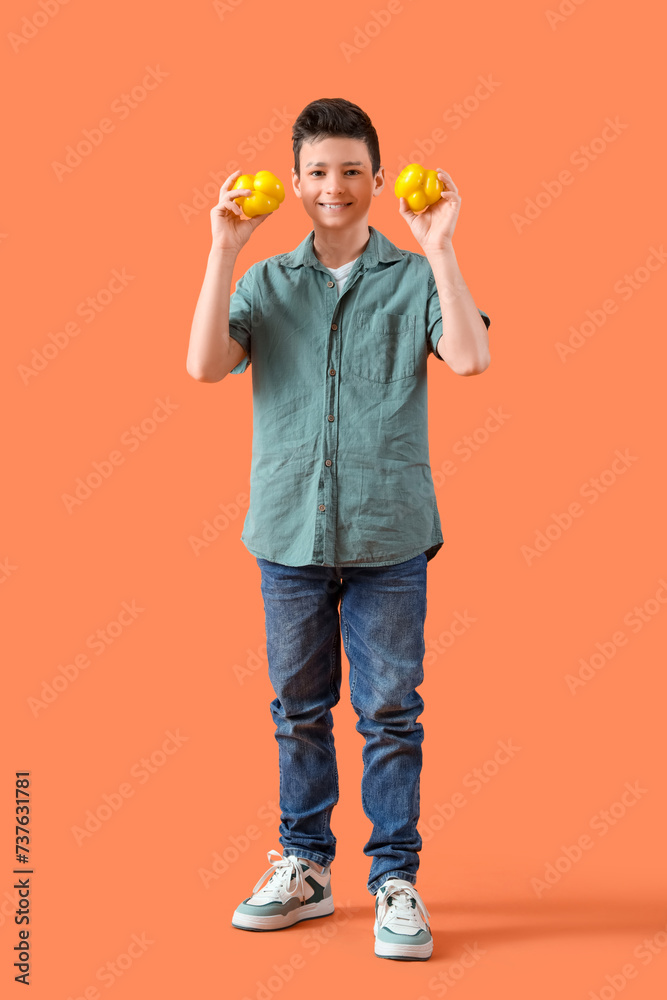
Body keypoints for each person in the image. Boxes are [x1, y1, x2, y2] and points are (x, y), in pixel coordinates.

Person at [186, 97, 491, 961]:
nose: (335, 186)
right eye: (318, 171)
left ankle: (395, 877)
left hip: (389, 535)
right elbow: (204, 365)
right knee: (297, 711)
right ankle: (305, 867)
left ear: (378, 179)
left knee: (391, 712)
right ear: (292, 183)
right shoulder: (264, 283)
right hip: (286, 535)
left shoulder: (411, 278)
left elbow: (468, 357)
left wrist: (439, 248)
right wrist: (221, 247)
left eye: (351, 170)